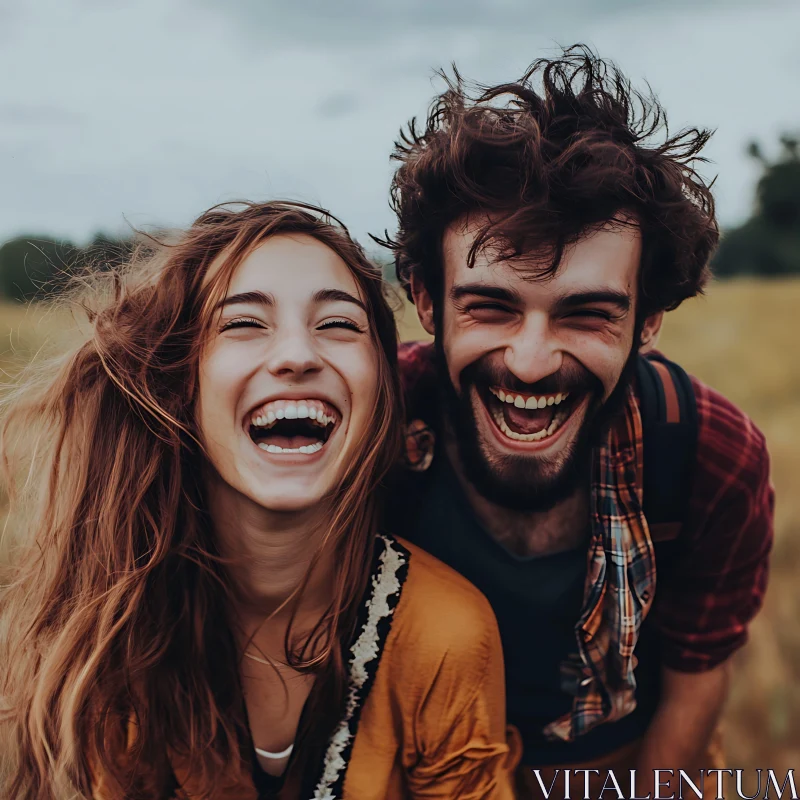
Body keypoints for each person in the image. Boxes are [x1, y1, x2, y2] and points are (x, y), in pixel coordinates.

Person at [0, 201, 516, 800]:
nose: (297, 355)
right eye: (244, 323)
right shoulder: (119, 621)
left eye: (338, 325)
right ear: (179, 383)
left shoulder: (445, 631)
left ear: (381, 389)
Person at [381, 47, 774, 798]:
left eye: (587, 313)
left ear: (648, 320)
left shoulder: (709, 454)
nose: (530, 363)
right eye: (489, 306)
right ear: (427, 301)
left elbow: (696, 682)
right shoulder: (369, 429)